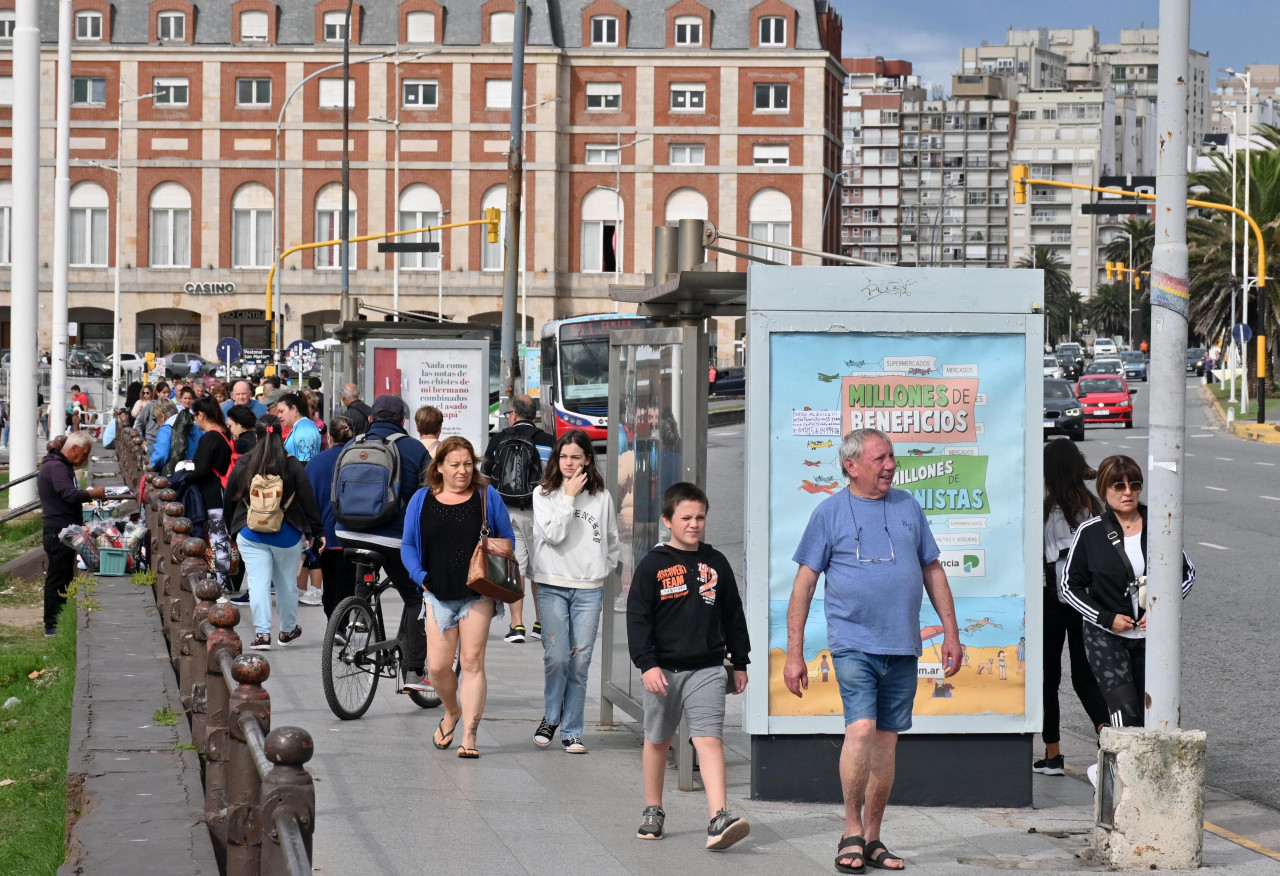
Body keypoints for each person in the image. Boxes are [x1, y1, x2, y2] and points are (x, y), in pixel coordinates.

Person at [784, 428, 962, 873]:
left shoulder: (907, 506)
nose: (890, 466)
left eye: (892, 457)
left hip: (901, 646)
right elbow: (804, 585)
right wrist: (794, 653)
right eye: (880, 458)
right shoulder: (828, 513)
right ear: (852, 465)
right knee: (861, 729)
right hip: (853, 644)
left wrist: (953, 634)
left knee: (886, 740)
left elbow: (933, 570)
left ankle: (873, 838)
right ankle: (850, 829)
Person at [626, 482, 750, 850]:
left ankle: (719, 817)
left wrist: (739, 661)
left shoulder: (715, 563)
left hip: (707, 668)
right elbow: (638, 619)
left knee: (708, 739)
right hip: (662, 671)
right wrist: (647, 665)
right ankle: (653, 810)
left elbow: (733, 615)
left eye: (700, 517)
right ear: (667, 520)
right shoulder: (652, 565)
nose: (694, 524)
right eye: (686, 518)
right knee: (658, 741)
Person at [1060, 455, 1195, 781]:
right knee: (1125, 712)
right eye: (1118, 485)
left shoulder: (1160, 525)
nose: (1127, 491)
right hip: (1106, 637)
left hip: (1152, 637)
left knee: (1155, 713)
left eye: (1134, 484)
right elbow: (1069, 586)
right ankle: (1120, 784)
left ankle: (1114, 774)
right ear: (1103, 488)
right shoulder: (1090, 533)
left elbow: (1186, 574)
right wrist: (1106, 618)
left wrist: (1160, 611)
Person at [401, 436, 515, 758]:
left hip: (477, 593)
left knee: (472, 663)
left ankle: (469, 736)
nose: (463, 471)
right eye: (455, 465)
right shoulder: (421, 499)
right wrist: (421, 578)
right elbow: (408, 545)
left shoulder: (486, 496)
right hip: (436, 594)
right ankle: (452, 710)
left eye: (468, 464)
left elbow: (506, 537)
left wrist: (495, 568)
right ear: (439, 467)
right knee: (437, 668)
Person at [529, 429, 620, 753]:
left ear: (587, 460)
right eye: (564, 456)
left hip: (588, 589)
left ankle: (572, 730)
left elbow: (611, 538)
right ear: (556, 459)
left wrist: (602, 568)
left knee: (580, 663)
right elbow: (553, 535)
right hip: (552, 585)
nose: (569, 462)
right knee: (557, 658)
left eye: (576, 457)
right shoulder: (543, 494)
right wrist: (567, 496)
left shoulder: (601, 496)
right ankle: (551, 717)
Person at [336, 396, 430, 691]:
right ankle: (414, 670)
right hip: (391, 536)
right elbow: (429, 496)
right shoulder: (415, 449)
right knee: (418, 598)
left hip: (348, 532)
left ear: (373, 419)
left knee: (366, 566)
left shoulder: (352, 445)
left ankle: (359, 610)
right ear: (403, 421)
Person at [1038, 439, 1110, 776]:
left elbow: (1048, 558)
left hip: (1054, 600)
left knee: (1048, 678)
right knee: (1085, 677)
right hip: (1087, 602)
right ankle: (1108, 736)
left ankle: (1053, 754)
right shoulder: (1093, 506)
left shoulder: (1048, 510)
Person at [224, 414, 323, 650]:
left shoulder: (246, 462)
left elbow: (229, 497)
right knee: (287, 584)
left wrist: (231, 528)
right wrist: (316, 532)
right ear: (281, 434)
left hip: (250, 532)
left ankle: (262, 635)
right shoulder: (292, 464)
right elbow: (308, 500)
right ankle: (287, 631)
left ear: (256, 435)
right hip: (286, 533)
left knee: (257, 582)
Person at [483, 395, 556, 643]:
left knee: (518, 568)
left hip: (507, 512)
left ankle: (517, 626)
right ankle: (541, 623)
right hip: (541, 511)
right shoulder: (548, 442)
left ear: (513, 414)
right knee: (541, 569)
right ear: (533, 415)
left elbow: (486, 478)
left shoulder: (498, 440)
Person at [38, 432, 107, 636]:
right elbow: (68, 495)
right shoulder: (57, 467)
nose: (84, 459)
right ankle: (52, 625)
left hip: (63, 528)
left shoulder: (59, 466)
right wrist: (93, 493)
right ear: (74, 449)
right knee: (57, 578)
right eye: (84, 454)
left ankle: (57, 622)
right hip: (57, 531)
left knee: (65, 576)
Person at [305, 416, 357, 618]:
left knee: (329, 580)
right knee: (347, 582)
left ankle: (333, 623)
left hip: (324, 533)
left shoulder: (315, 463)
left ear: (329, 436)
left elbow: (309, 500)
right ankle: (341, 624)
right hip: (352, 532)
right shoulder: (356, 459)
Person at [189, 397, 235, 588]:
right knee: (220, 540)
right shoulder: (225, 434)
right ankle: (222, 581)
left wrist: (184, 474)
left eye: (194, 416)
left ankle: (220, 584)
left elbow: (202, 469)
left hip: (212, 495)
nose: (194, 420)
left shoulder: (210, 437)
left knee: (218, 540)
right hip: (222, 492)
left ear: (201, 414)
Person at [276, 392, 321, 462]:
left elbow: (306, 463)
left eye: (281, 411)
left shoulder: (304, 429)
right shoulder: (301, 427)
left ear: (294, 409)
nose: (279, 416)